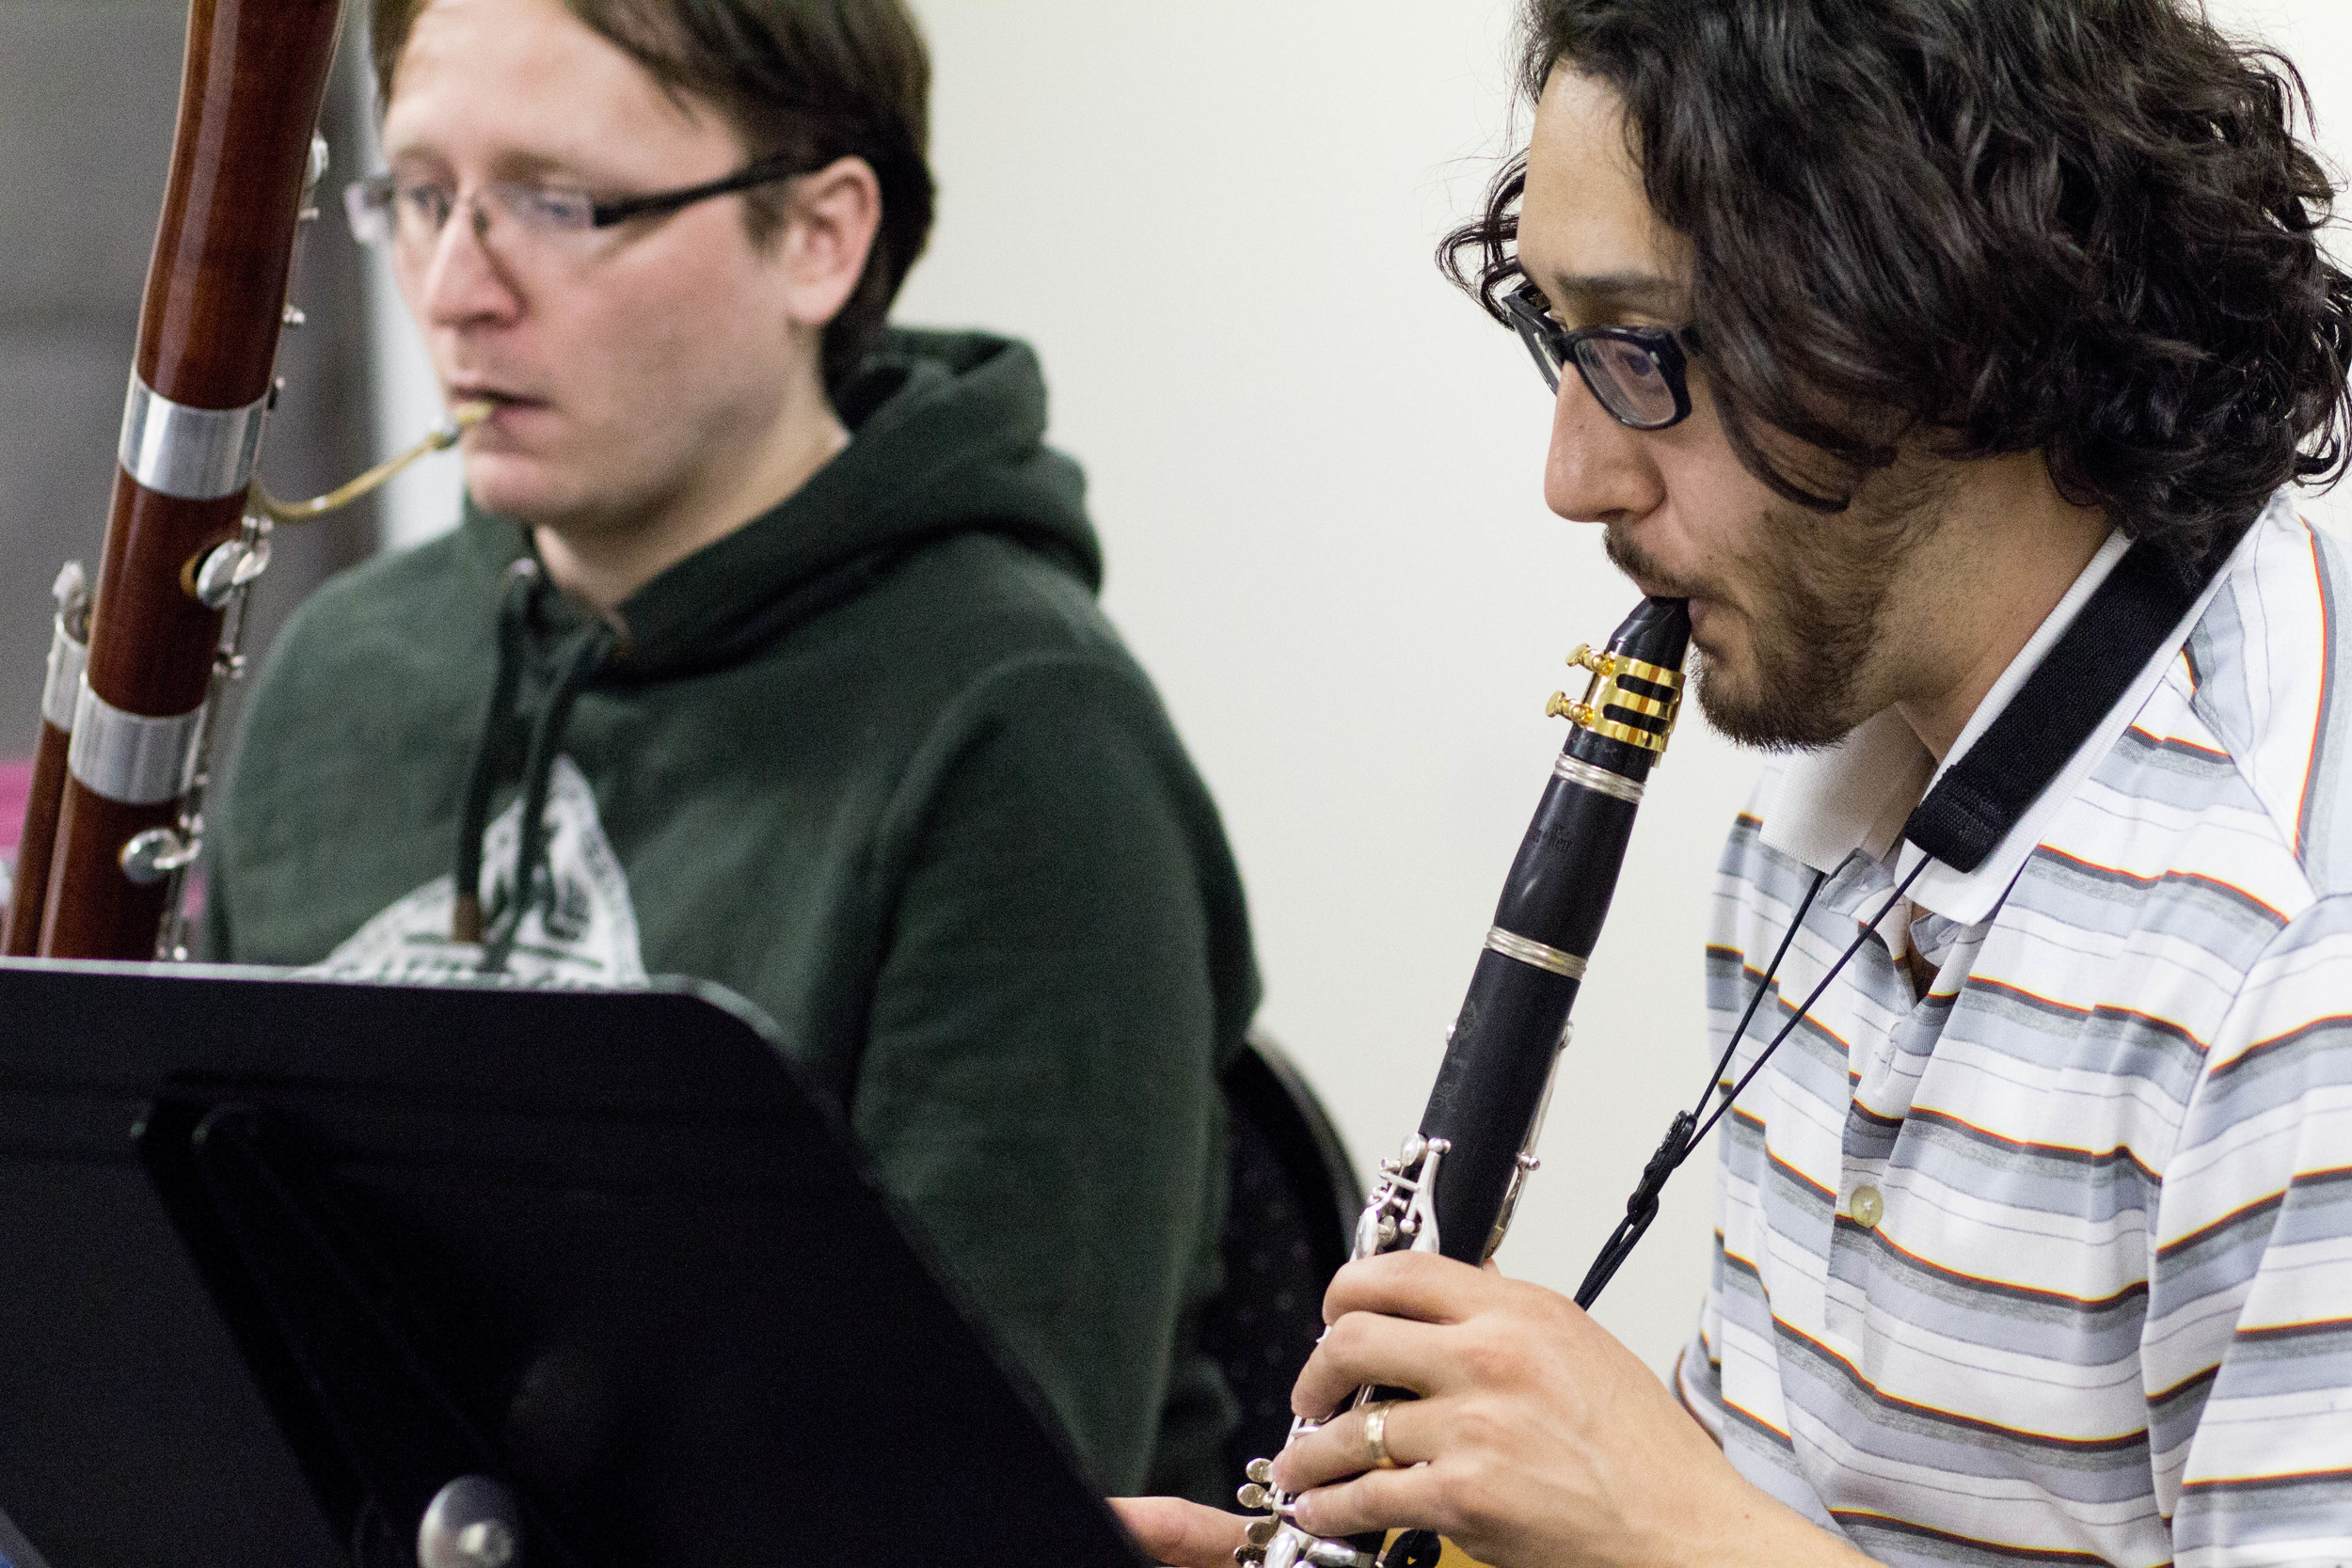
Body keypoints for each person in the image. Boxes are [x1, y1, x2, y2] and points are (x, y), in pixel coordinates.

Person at [1122, 1, 2352, 1564]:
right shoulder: (1828, 804)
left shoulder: (2295, 951)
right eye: (1560, 338)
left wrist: (1667, 1522)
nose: (1575, 476)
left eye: (1641, 349)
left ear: (1941, 316)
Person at [202, 0, 1258, 1505]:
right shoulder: (344, 673)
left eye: (562, 204)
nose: (453, 289)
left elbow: (970, 1495)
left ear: (819, 239)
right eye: (424, 195)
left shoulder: (1024, 733)